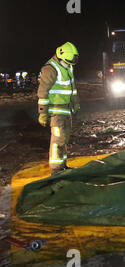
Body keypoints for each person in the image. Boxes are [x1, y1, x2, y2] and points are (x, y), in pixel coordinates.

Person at [37, 42, 80, 175]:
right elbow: (42, 93)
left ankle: (63, 165)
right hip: (56, 111)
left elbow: (72, 89)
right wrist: (43, 113)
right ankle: (56, 170)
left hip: (66, 110)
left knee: (65, 138)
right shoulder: (50, 69)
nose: (69, 65)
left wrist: (75, 103)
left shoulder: (68, 67)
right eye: (67, 62)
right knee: (57, 140)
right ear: (60, 56)